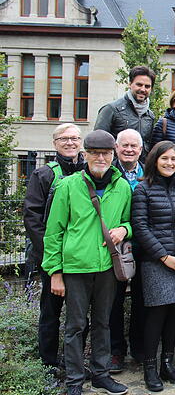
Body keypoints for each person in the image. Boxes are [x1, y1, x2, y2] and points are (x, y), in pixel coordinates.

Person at [42, 130, 132, 395]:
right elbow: (53, 231)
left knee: (103, 323)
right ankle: (74, 381)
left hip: (107, 267)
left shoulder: (123, 186)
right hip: (76, 268)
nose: (101, 158)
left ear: (113, 156)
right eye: (95, 153)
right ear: (86, 155)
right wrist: (55, 272)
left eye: (105, 153)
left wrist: (124, 230)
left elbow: (130, 221)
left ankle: (101, 375)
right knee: (75, 326)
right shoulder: (68, 186)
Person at [131, 141, 175, 391]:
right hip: (156, 262)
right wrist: (163, 256)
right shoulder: (142, 189)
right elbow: (141, 228)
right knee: (156, 315)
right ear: (154, 160)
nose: (170, 163)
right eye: (165, 159)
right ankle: (150, 367)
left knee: (174, 314)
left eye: (174, 159)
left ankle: (167, 364)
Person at [23, 123, 86, 372]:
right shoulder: (44, 175)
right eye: (64, 139)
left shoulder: (88, 171)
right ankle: (49, 363)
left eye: (74, 138)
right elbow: (32, 219)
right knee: (50, 313)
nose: (70, 143)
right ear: (55, 143)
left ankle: (76, 362)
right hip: (53, 259)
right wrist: (52, 257)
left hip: (81, 258)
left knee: (80, 315)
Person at [108, 129, 145, 372]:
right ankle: (115, 351)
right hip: (115, 245)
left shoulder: (147, 173)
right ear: (116, 148)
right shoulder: (108, 174)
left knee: (143, 298)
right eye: (125, 145)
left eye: (134, 146)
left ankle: (139, 347)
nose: (129, 149)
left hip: (144, 244)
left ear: (141, 150)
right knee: (115, 300)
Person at [94, 66, 155, 157]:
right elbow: (98, 141)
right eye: (139, 84)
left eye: (147, 86)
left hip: (140, 169)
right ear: (130, 84)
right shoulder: (111, 110)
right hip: (115, 168)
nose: (143, 89)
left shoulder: (150, 116)